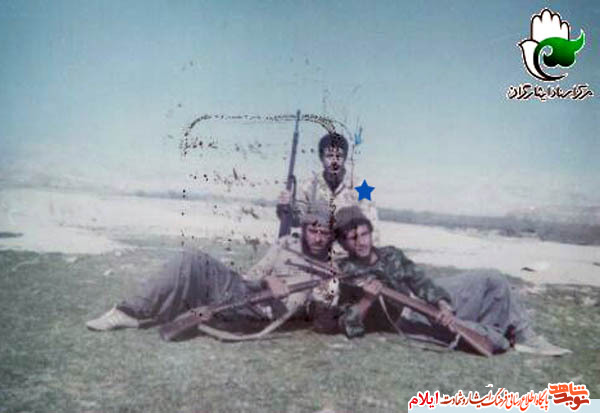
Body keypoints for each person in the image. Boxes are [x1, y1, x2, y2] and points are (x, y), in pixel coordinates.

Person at [331, 206, 572, 356]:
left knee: (493, 278)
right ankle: (503, 335)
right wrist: (366, 300)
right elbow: (348, 326)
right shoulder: (344, 273)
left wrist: (441, 302)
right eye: (352, 238)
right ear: (342, 243)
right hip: (405, 320)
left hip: (420, 302)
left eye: (364, 234)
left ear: (371, 232)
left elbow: (420, 281)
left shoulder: (390, 254)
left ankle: (524, 335)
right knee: (491, 341)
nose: (361, 242)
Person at [86, 205, 340, 334]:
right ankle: (128, 312)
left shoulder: (331, 271)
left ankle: (145, 312)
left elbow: (320, 318)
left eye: (324, 233)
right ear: (304, 229)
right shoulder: (286, 244)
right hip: (246, 292)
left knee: (194, 285)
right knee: (192, 259)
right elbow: (252, 275)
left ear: (331, 236)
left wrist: (318, 298)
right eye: (313, 230)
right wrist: (268, 281)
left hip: (259, 313)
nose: (318, 238)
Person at [276, 132, 379, 244]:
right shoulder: (309, 186)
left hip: (348, 248)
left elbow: (371, 225)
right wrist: (285, 206)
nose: (334, 161)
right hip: (315, 247)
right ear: (321, 158)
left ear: (345, 158)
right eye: (329, 156)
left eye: (339, 156)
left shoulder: (359, 186)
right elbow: (296, 220)